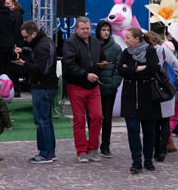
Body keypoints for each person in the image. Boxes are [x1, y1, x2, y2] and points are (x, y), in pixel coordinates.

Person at [118, 28, 161, 174]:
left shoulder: (150, 52)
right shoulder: (125, 53)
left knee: (149, 131)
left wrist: (131, 71)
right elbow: (120, 70)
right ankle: (136, 161)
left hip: (148, 98)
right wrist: (137, 70)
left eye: (129, 37)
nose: (126, 40)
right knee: (133, 130)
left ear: (137, 39)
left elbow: (152, 70)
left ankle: (148, 159)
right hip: (130, 98)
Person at [62, 16, 103, 163]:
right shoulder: (70, 44)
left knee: (97, 116)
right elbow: (69, 65)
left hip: (93, 86)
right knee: (79, 120)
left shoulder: (96, 42)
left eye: (88, 28)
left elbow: (99, 59)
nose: (86, 31)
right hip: (76, 86)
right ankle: (81, 150)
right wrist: (86, 75)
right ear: (76, 29)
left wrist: (102, 66)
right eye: (83, 29)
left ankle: (93, 148)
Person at [17, 20, 58, 164]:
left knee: (41, 121)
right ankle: (50, 151)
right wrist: (25, 50)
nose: (25, 40)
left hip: (42, 86)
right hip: (47, 85)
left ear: (34, 33)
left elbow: (40, 68)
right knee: (46, 120)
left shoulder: (42, 46)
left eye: (26, 37)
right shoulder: (45, 41)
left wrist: (25, 64)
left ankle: (45, 153)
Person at [146, 30, 178, 162]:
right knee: (165, 121)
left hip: (151, 89)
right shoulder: (164, 51)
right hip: (167, 89)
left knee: (155, 122)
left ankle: (155, 149)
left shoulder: (145, 52)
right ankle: (162, 150)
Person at [96, 20, 121, 158]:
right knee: (94, 118)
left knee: (107, 118)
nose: (106, 33)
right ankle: (92, 144)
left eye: (108, 30)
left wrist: (113, 84)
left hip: (109, 89)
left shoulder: (116, 48)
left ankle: (105, 146)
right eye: (103, 30)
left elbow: (119, 68)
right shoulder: (92, 45)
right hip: (94, 87)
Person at [0, 0, 18, 78]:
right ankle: (7, 86)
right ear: (4, 3)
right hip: (9, 45)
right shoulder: (11, 15)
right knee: (7, 68)